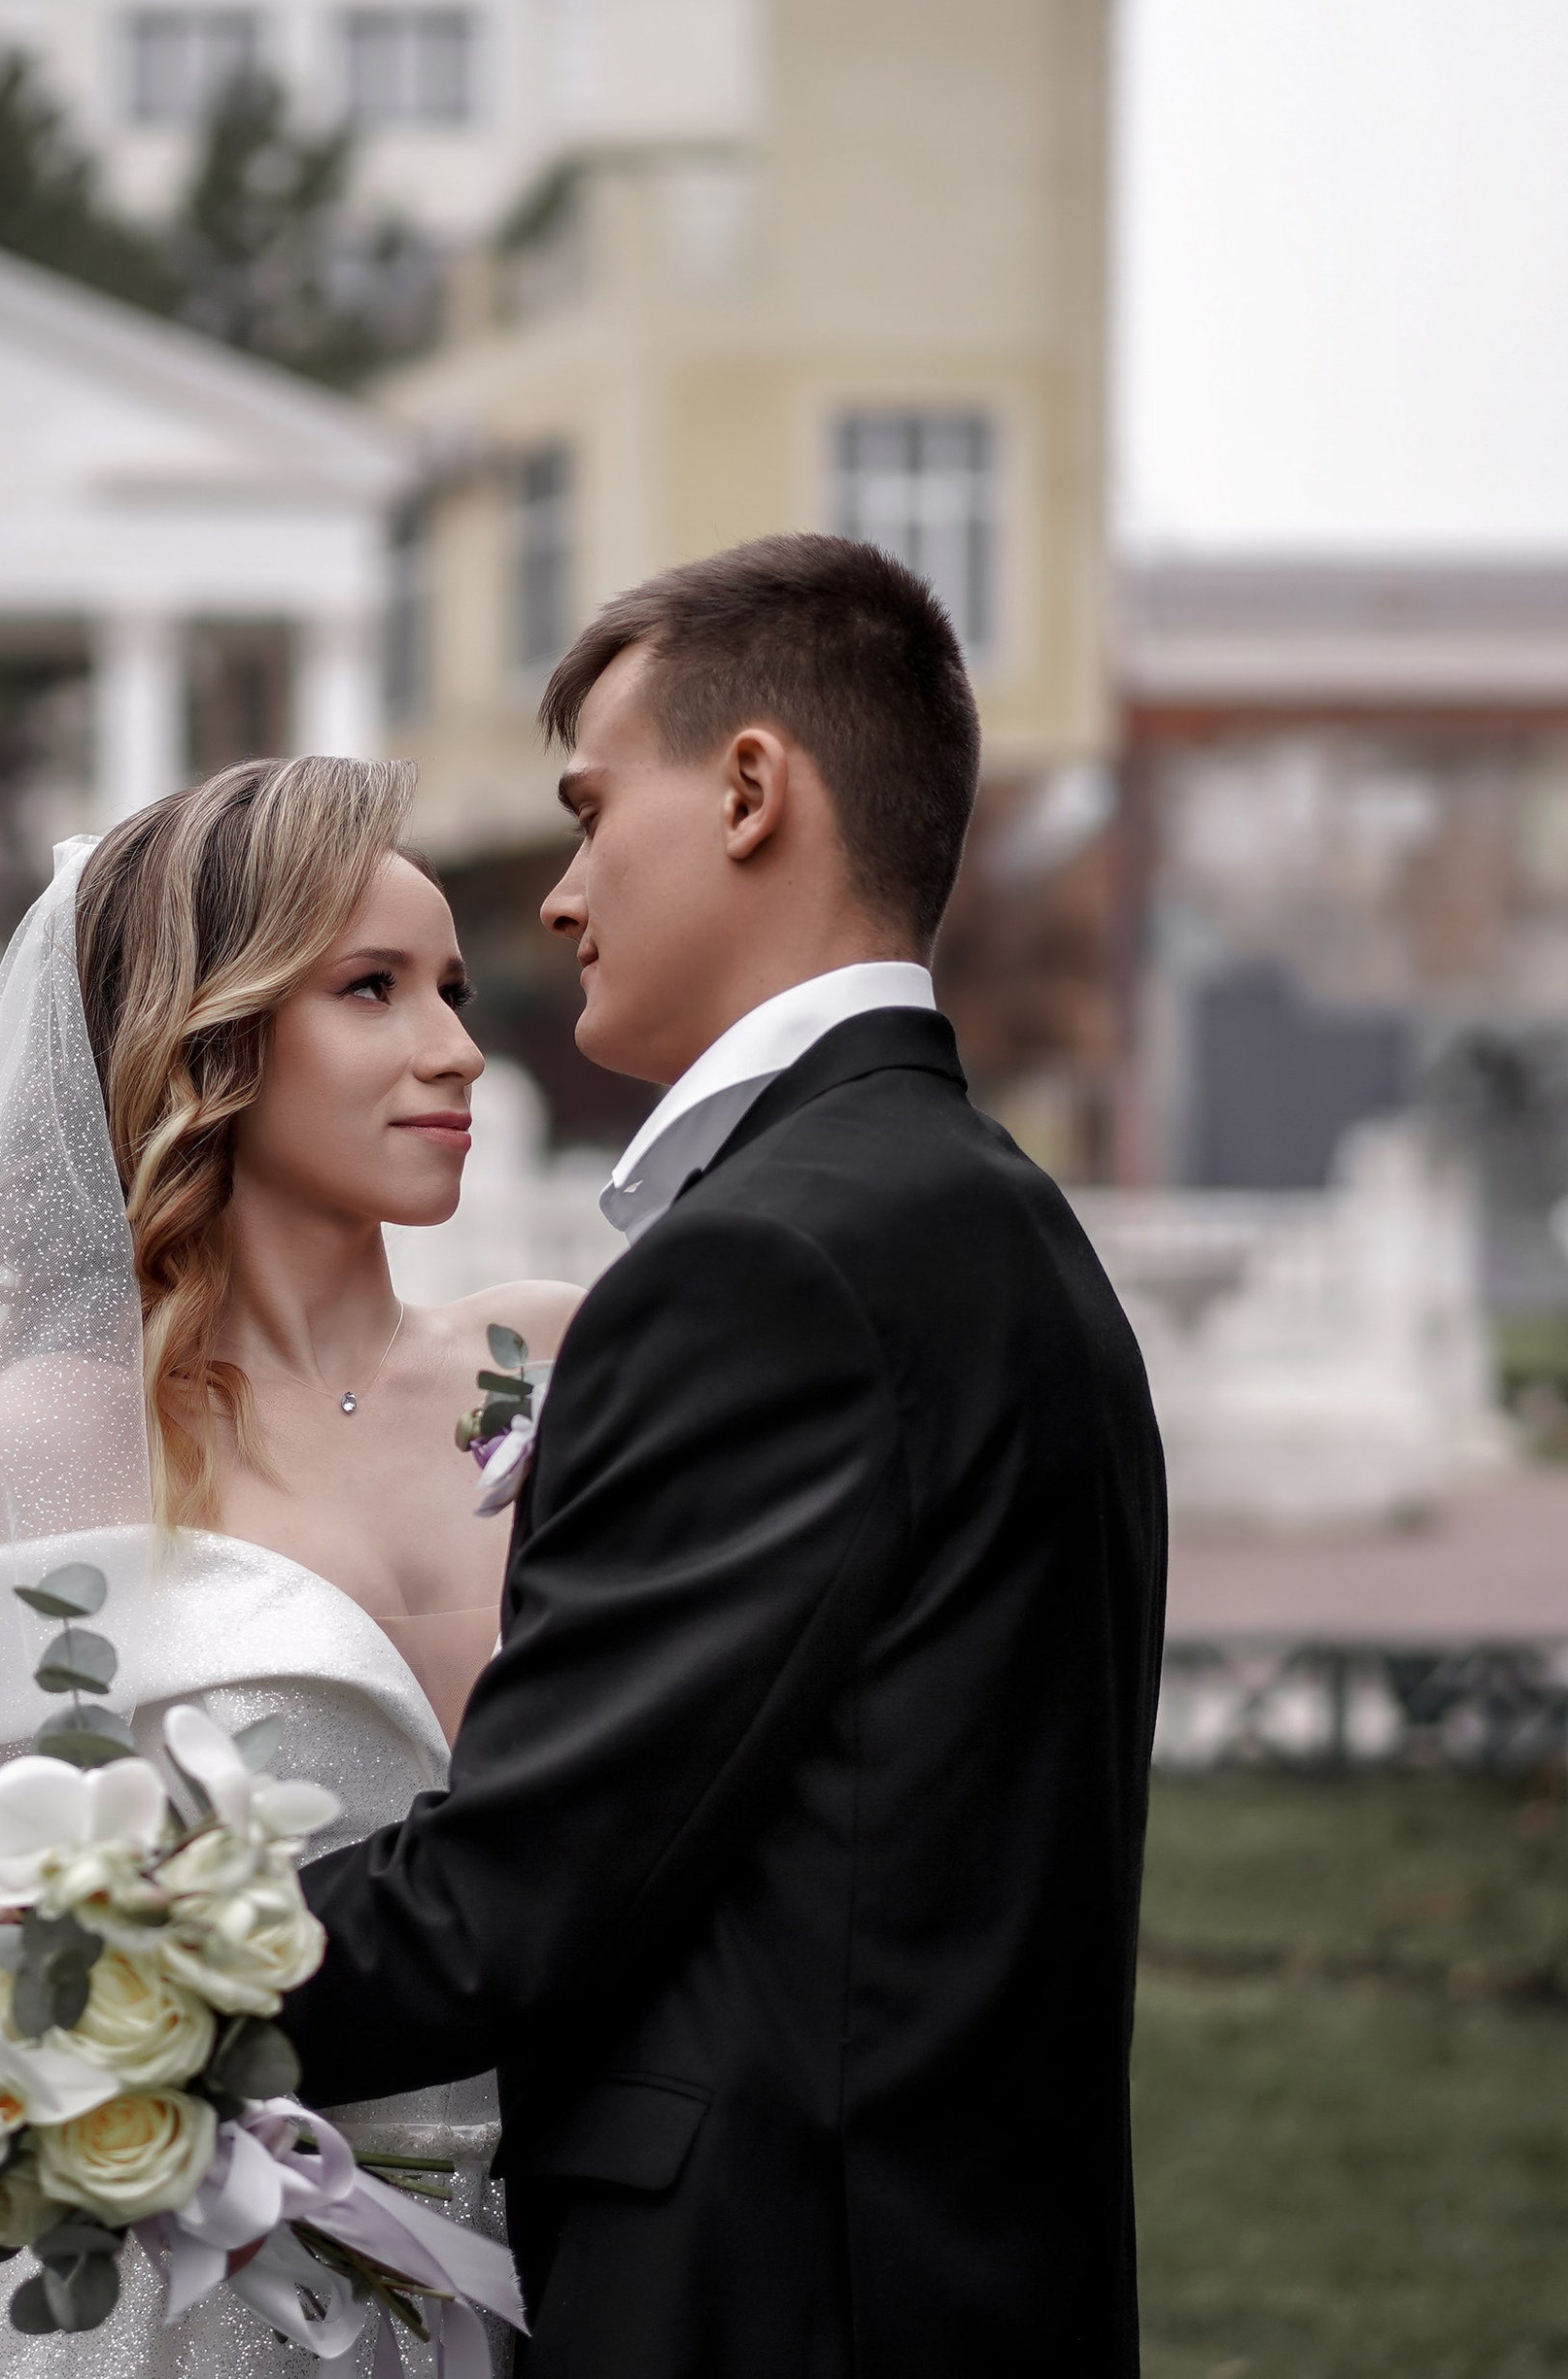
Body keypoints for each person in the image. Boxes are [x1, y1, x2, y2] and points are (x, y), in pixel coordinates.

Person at [278, 533, 1169, 2377]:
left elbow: (510, 1903)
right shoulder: (991, 1220)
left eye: (596, 812)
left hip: (779, 2302)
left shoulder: (772, 1262)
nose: (566, 894)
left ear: (753, 788)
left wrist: (51, 1978)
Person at [0, 753, 577, 2377]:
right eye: (372, 989)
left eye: (453, 986)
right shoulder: (50, 1447)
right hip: (199, 2312)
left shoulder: (558, 1359)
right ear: (210, 1033)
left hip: (594, 2254)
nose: (458, 1050)